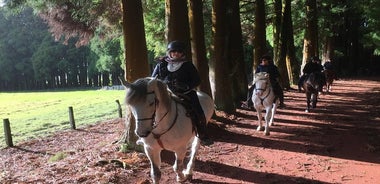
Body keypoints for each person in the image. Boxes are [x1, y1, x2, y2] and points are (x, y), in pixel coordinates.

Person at [151, 40, 211, 144]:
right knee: (148, 108)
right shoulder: (161, 65)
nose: (176, 54)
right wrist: (164, 82)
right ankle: (146, 135)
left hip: (185, 93)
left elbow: (197, 80)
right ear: (169, 52)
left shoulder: (188, 65)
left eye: (179, 52)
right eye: (174, 51)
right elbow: (153, 79)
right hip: (164, 94)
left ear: (182, 53)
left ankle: (203, 134)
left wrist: (186, 86)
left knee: (198, 112)